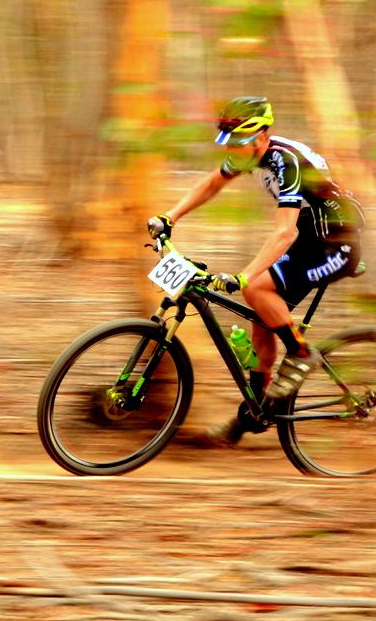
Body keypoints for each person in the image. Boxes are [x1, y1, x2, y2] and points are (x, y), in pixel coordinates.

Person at [146, 96, 363, 444]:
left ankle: (302, 354)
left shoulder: (286, 162)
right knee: (261, 319)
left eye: (239, 142)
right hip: (307, 241)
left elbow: (284, 231)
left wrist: (244, 275)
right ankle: (256, 410)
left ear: (261, 137)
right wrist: (170, 216)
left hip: (335, 243)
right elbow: (212, 183)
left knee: (256, 288)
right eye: (229, 143)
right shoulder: (253, 154)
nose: (233, 149)